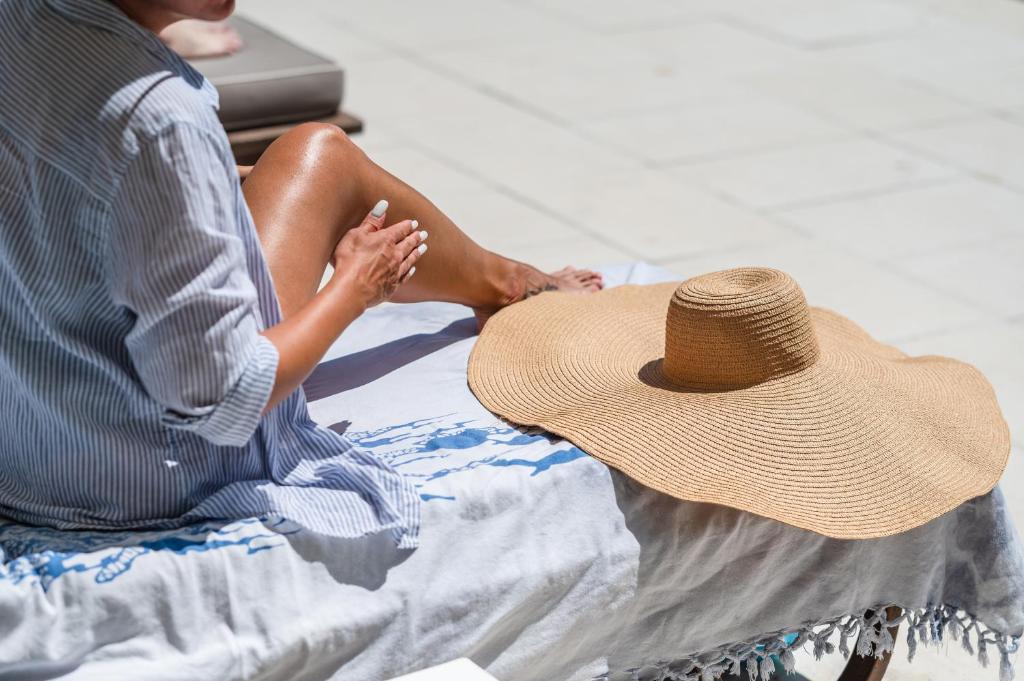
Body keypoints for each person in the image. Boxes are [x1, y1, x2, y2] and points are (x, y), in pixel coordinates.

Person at [0, 0, 602, 548]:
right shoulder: (161, 120)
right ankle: (509, 285)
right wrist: (353, 288)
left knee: (305, 167)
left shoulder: (21, 20)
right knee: (322, 158)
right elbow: (223, 396)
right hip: (145, 476)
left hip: (32, 441)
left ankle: (506, 280)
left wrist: (200, 181)